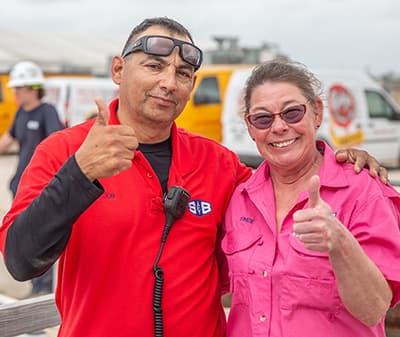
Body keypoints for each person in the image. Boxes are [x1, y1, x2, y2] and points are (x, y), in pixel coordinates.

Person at [0, 18, 388, 337]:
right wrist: (79, 175)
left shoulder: (218, 162)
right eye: (154, 66)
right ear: (119, 69)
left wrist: (339, 159)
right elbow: (20, 261)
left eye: (183, 73)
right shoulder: (64, 152)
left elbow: (283, 177)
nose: (169, 82)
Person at [221, 60, 400, 337]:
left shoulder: (363, 191)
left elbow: (374, 309)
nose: (279, 127)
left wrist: (340, 243)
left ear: (316, 113)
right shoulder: (239, 197)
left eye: (292, 113)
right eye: (263, 118)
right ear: (250, 126)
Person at [0, 60, 63, 296]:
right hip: (21, 187)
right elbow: (7, 140)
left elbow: (57, 147)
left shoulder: (47, 112)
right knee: (24, 238)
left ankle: (43, 289)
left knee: (41, 237)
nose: (14, 93)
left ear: (32, 88)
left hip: (41, 188)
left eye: (18, 88)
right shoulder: (21, 114)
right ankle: (37, 286)